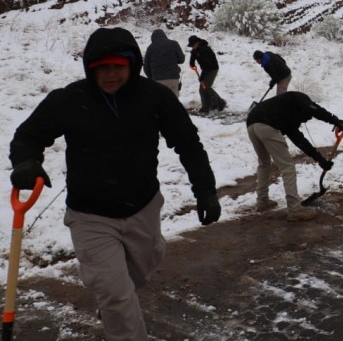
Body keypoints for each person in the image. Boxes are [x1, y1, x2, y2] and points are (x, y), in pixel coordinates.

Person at [9, 27, 220, 341]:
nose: (110, 74)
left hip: (143, 205)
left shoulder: (155, 96)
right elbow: (28, 136)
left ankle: (114, 307)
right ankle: (117, 314)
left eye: (118, 67)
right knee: (116, 296)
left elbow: (188, 143)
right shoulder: (69, 99)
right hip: (90, 215)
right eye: (102, 67)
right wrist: (27, 161)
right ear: (90, 68)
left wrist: (205, 190)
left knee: (147, 262)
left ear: (132, 66)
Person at [246, 91, 343, 221]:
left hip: (251, 124)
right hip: (267, 125)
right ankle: (294, 210)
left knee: (264, 163)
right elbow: (317, 110)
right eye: (307, 117)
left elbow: (300, 141)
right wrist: (336, 121)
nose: (307, 119)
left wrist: (320, 159)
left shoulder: (287, 115)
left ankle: (262, 201)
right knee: (287, 167)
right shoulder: (300, 98)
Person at [187, 34, 226, 113]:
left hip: (212, 69)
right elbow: (194, 55)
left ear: (197, 43)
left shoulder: (205, 50)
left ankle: (220, 102)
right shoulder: (196, 49)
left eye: (193, 45)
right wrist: (191, 62)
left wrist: (202, 76)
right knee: (203, 88)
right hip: (206, 69)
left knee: (205, 87)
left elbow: (207, 65)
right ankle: (209, 105)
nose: (192, 47)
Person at [143, 28, 185, 97]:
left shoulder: (150, 48)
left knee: (161, 102)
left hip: (158, 80)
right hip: (173, 78)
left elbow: (146, 67)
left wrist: (152, 78)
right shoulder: (174, 44)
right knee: (174, 101)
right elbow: (182, 59)